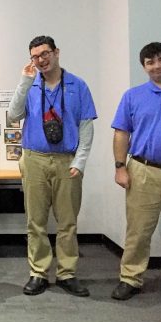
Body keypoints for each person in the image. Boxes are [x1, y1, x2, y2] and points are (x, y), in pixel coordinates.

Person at [9, 35, 97, 297]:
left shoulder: (77, 85)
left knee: (67, 221)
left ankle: (67, 273)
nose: (41, 60)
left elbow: (86, 127)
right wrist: (24, 82)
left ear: (56, 52)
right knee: (35, 221)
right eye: (35, 56)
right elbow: (14, 115)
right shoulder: (31, 85)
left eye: (45, 54)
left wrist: (80, 161)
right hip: (34, 159)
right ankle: (38, 273)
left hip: (66, 161)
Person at [110, 42, 161, 300]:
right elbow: (121, 133)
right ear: (144, 67)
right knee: (138, 230)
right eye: (150, 62)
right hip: (142, 171)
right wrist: (120, 167)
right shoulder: (133, 96)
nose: (157, 66)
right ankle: (130, 278)